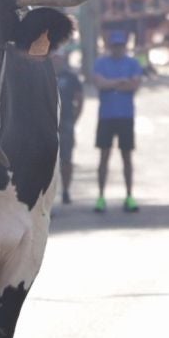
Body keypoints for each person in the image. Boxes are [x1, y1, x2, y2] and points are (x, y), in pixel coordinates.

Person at [92, 29, 143, 213]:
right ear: (110, 46)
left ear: (124, 46)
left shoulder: (133, 63)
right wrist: (120, 82)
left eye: (120, 45)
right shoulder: (101, 63)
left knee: (126, 157)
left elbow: (134, 85)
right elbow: (99, 83)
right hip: (106, 116)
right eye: (115, 46)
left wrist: (111, 83)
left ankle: (129, 195)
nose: (118, 49)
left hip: (125, 116)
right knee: (104, 156)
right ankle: (100, 196)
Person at [56, 50, 84, 205]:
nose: (56, 59)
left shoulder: (71, 77)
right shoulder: (44, 74)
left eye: (58, 56)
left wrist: (74, 119)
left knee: (66, 159)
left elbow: (80, 99)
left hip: (65, 121)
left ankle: (66, 190)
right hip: (47, 125)